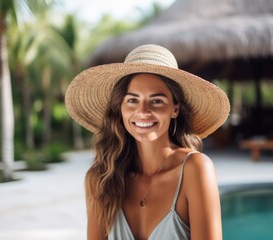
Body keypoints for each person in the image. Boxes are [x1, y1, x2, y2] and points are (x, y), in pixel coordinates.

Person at [65, 44, 230, 240]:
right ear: (120, 108)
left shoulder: (195, 170)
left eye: (157, 101)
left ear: (175, 109)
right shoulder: (100, 179)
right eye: (132, 100)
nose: (143, 111)